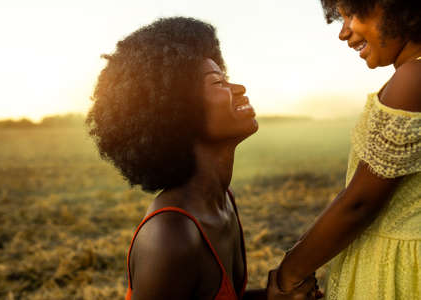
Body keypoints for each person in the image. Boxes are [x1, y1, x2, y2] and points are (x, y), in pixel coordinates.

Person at [87, 17, 319, 300]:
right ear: (178, 110)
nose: (238, 88)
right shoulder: (170, 236)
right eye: (218, 82)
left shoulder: (222, 201)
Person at [272, 1, 421, 299]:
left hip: (397, 274)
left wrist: (289, 273)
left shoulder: (413, 79)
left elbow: (360, 203)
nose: (343, 33)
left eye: (351, 14)